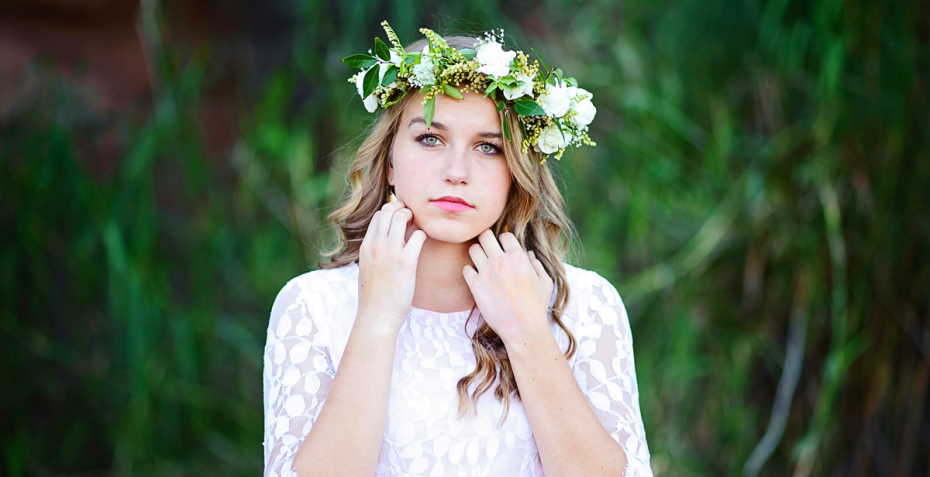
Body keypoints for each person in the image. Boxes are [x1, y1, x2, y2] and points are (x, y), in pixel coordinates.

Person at [262, 21, 652, 477]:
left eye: (488, 148)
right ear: (390, 161)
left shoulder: (585, 305)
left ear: (517, 172)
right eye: (431, 139)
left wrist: (527, 330)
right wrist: (377, 316)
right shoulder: (312, 306)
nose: (456, 171)